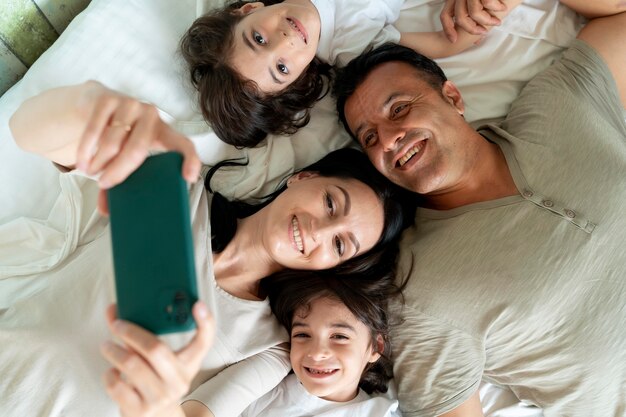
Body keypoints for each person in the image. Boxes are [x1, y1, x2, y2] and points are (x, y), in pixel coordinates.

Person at [6, 82, 409, 417]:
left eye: (339, 244)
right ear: (303, 178)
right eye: (330, 203)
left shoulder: (272, 345)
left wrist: (160, 404)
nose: (319, 230)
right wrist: (88, 103)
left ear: (333, 266)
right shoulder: (177, 192)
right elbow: (26, 129)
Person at [331, 2, 626, 416]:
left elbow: (618, 17)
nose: (389, 140)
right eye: (369, 137)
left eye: (399, 109)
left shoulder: (558, 106)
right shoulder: (422, 291)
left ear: (453, 97)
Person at [180, 0, 520, 147]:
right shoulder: (353, 46)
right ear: (298, 78)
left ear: (249, 9)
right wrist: (482, 16)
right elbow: (446, 43)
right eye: (281, 68)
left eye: (258, 38)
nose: (283, 41)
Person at [238, 262, 403, 417]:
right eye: (302, 335)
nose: (316, 354)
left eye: (339, 336)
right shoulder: (260, 394)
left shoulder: (379, 413)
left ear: (376, 347)